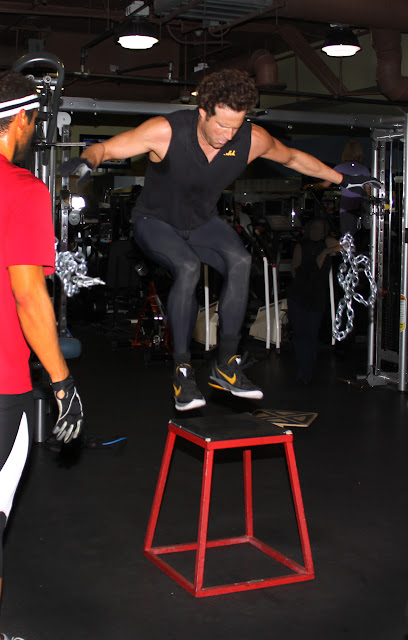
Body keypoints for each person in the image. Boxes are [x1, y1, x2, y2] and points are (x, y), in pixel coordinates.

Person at [60, 69, 380, 411]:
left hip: (202, 223)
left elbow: (291, 157)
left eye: (235, 127)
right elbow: (107, 148)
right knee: (187, 267)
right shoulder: (165, 131)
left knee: (241, 261)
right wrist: (87, 161)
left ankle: (225, 365)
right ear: (203, 112)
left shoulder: (251, 139)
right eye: (221, 126)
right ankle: (182, 372)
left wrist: (342, 180)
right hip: (155, 222)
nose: (228, 136)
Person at [0, 70, 83, 633]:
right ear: (21, 121)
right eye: (33, 122)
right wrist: (61, 382)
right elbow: (29, 296)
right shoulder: (23, 189)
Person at [287, 218, 341, 384]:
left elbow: (345, 246)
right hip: (299, 294)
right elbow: (294, 270)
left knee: (311, 335)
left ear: (324, 231)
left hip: (316, 295)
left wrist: (325, 252)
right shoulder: (301, 245)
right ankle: (302, 371)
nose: (315, 231)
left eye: (319, 228)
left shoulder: (326, 243)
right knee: (299, 335)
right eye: (313, 227)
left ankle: (308, 371)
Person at [304, 140, 372, 240]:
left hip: (346, 207)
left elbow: (324, 185)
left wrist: (310, 185)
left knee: (347, 237)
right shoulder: (364, 169)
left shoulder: (339, 168)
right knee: (362, 236)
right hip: (361, 207)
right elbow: (368, 193)